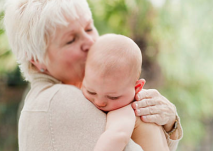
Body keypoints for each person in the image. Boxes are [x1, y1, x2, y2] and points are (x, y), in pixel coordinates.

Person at [3, 0, 183, 150]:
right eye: (71, 40)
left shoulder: (90, 91)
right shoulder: (60, 99)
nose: (89, 42)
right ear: (37, 60)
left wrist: (169, 123)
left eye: (89, 29)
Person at [82, 33, 169, 151]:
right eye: (91, 92)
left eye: (113, 97)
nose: (100, 102)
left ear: (137, 88)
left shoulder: (128, 109)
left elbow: (117, 136)